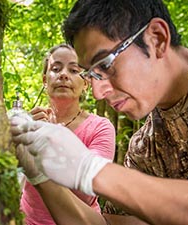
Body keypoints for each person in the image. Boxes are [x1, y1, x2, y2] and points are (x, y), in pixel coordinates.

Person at [10, 0, 188, 224]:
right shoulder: (145, 148)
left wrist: (93, 171)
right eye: (92, 75)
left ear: (157, 39)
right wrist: (40, 174)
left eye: (105, 65)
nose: (98, 92)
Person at [16, 43, 116, 225]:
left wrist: (54, 140)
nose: (63, 74)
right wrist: (21, 132)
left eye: (74, 70)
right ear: (44, 80)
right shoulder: (30, 122)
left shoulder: (100, 127)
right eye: (56, 68)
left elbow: (91, 185)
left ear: (86, 83)